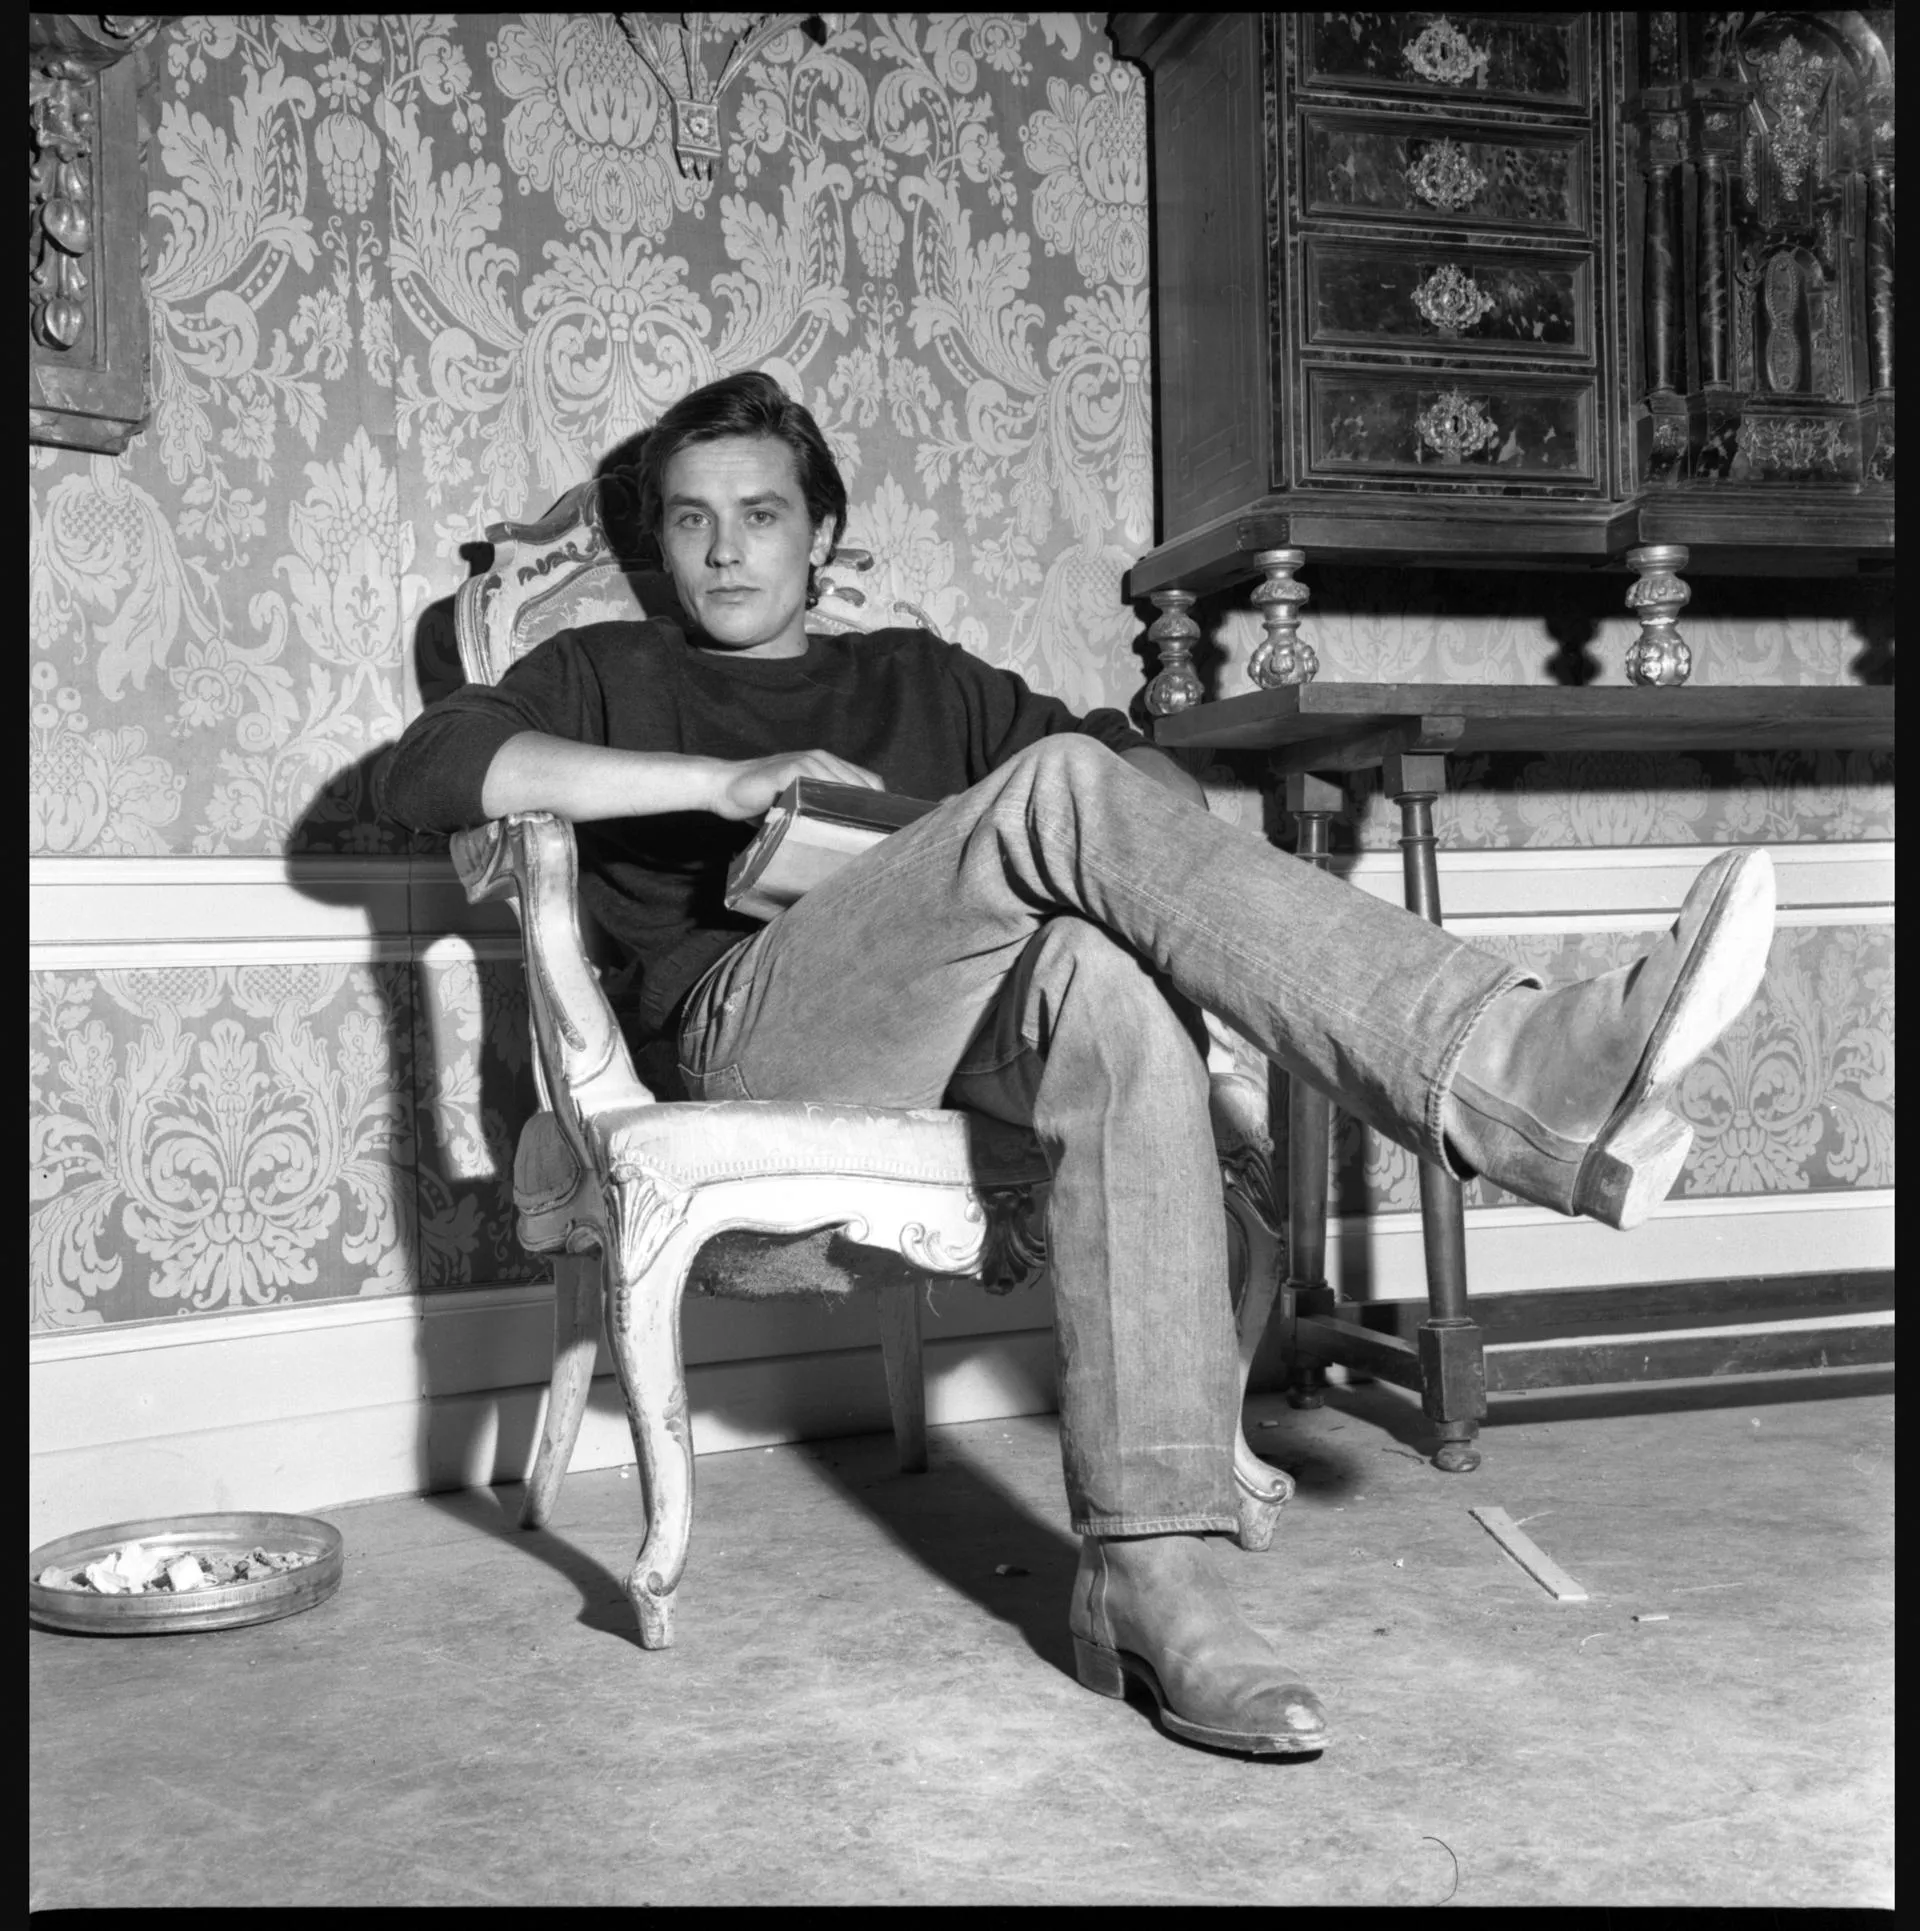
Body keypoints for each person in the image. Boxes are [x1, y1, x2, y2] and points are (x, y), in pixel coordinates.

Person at [384, 370, 1775, 1758]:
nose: (725, 549)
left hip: (949, 1030)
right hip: (738, 1033)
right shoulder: (609, 671)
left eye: (760, 514)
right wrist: (724, 785)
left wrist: (1039, 835)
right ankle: (1513, 1067)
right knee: (1056, 789)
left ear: (822, 535)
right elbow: (430, 770)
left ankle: (1155, 1578)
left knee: (1100, 970)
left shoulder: (919, 676)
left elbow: (1139, 780)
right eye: (691, 520)